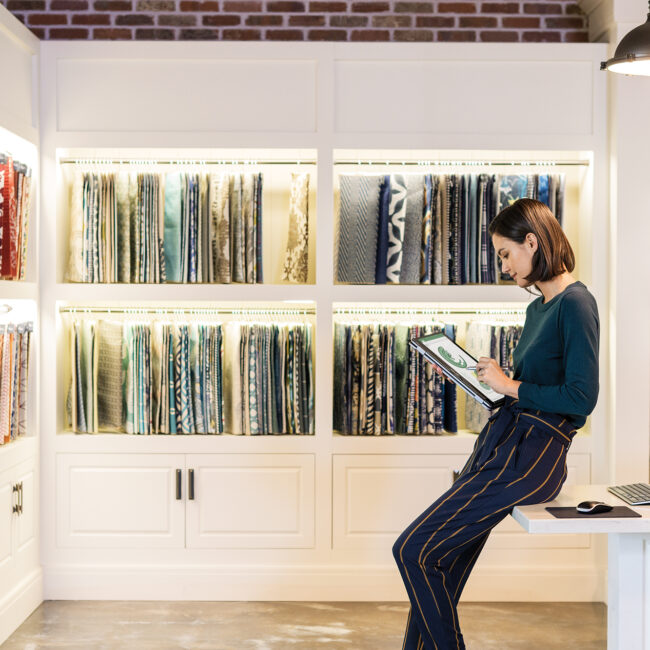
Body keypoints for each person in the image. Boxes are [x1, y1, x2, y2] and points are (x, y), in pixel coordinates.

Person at [392, 198, 600, 650]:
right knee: (436, 562)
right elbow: (528, 385)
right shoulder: (536, 309)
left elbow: (582, 398)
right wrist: (488, 379)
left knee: (411, 550)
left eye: (505, 254)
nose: (502, 265)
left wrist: (509, 385)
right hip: (503, 442)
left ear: (532, 241)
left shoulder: (577, 303)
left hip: (533, 456)